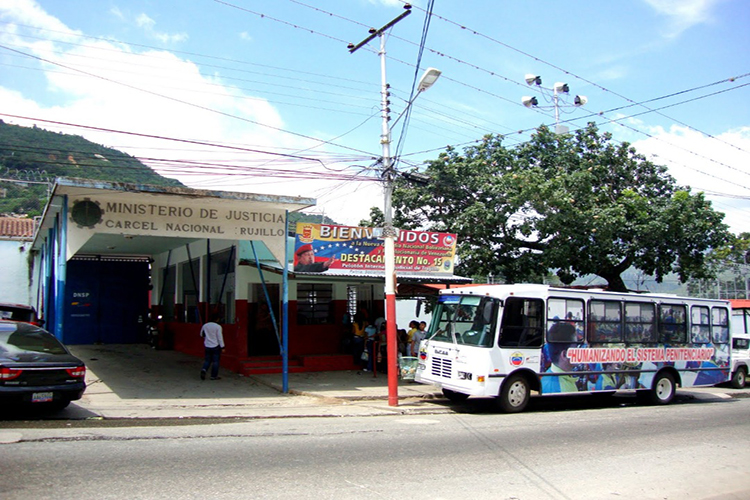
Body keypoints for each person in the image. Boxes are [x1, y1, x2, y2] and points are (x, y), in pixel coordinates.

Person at [200, 313, 225, 380]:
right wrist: (222, 347)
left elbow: (201, 334)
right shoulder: (218, 327)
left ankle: (204, 369)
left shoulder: (205, 325)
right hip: (215, 346)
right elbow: (220, 337)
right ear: (217, 319)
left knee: (207, 360)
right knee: (215, 361)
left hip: (207, 345)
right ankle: (213, 376)